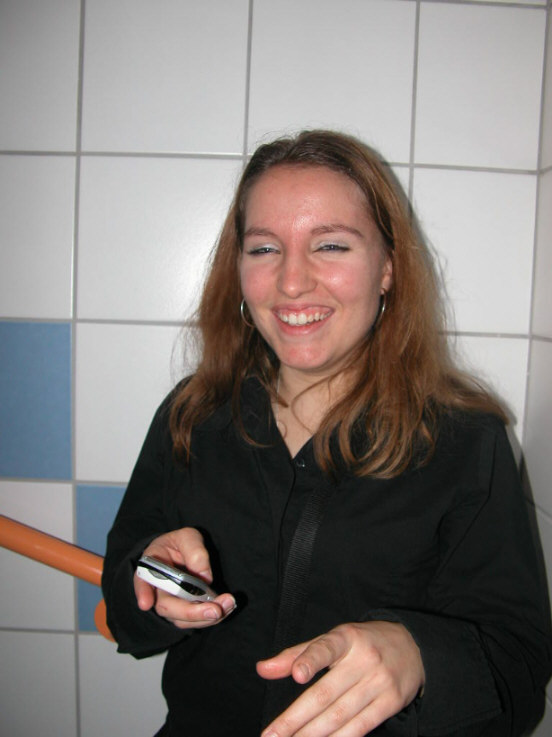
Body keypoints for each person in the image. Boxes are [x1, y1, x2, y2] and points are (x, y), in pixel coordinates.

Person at [102, 130, 551, 737]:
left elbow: (519, 671)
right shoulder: (191, 416)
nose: (292, 282)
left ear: (388, 268)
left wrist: (419, 656)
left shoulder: (467, 441)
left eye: (331, 245)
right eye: (264, 249)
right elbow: (125, 607)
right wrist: (153, 585)